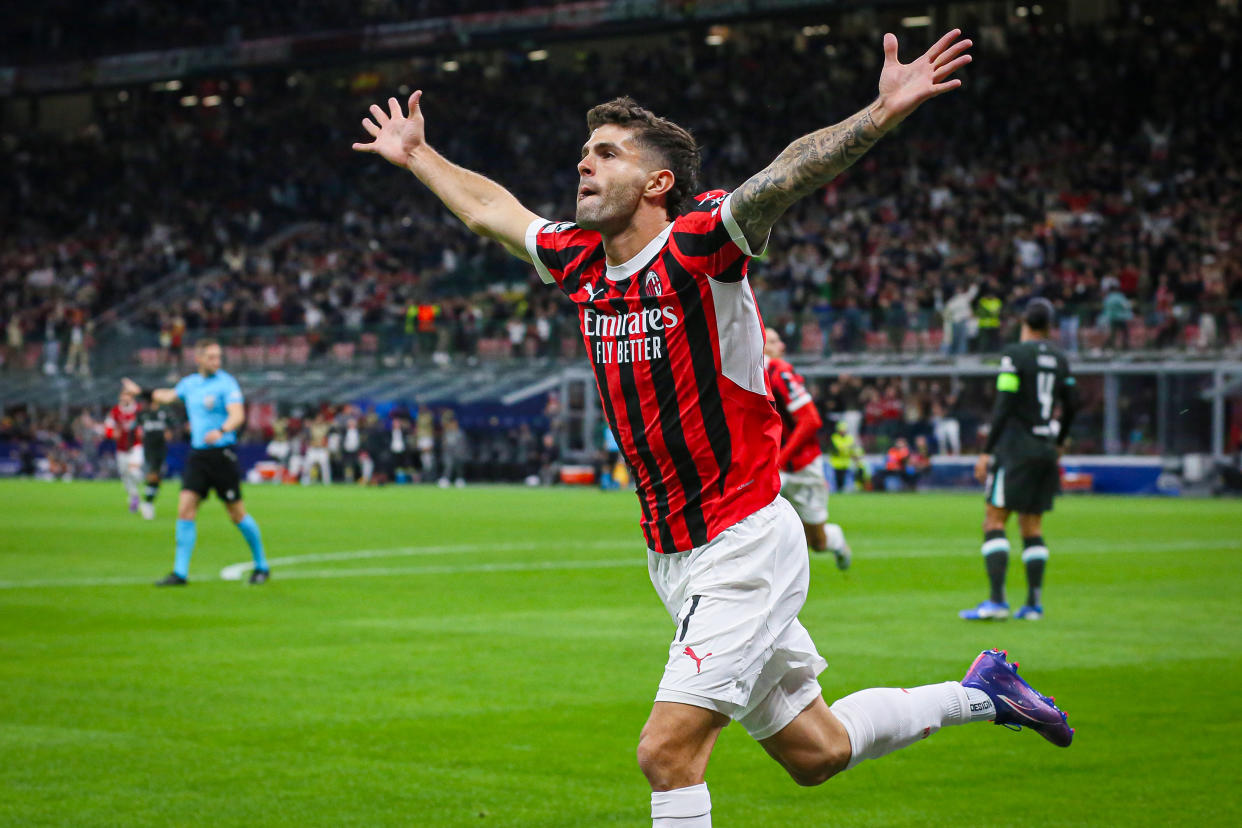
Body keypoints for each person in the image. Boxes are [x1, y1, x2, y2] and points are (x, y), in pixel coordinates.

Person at [355, 30, 1072, 828]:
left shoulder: (700, 241)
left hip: (743, 544)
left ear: (658, 180)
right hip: (673, 554)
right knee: (818, 751)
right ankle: (982, 693)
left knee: (666, 754)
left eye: (606, 153)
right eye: (583, 152)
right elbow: (496, 211)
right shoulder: (579, 258)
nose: (583, 164)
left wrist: (879, 112)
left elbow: (783, 176)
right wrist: (420, 156)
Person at [962, 298, 1079, 621]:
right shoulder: (1060, 359)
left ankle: (997, 602)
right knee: (1033, 526)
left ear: (1024, 323)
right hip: (1045, 447)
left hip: (1016, 448)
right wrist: (1059, 440)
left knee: (994, 519)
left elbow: (1004, 404)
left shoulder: (1014, 356)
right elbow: (1072, 404)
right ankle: (1033, 605)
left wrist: (987, 450)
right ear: (1050, 326)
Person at [124, 339, 269, 586]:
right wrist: (143, 392)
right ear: (198, 358)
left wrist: (221, 430)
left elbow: (238, 415)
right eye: (211, 356)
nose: (216, 361)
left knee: (237, 514)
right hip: (198, 455)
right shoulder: (190, 384)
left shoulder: (227, 384)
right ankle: (180, 572)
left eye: (218, 356)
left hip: (221, 454)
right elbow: (168, 395)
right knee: (185, 509)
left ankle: (262, 565)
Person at [763, 329, 850, 569]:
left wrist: (780, 458)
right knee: (756, 527)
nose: (779, 345)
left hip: (801, 466)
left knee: (817, 542)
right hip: (770, 467)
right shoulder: (744, 372)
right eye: (771, 340)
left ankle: (835, 539)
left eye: (778, 341)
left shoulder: (780, 372)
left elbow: (811, 420)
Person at [105, 387, 144, 514]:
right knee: (124, 474)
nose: (125, 398)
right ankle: (134, 496)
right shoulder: (116, 411)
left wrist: (142, 432)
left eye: (128, 395)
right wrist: (111, 434)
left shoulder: (138, 410)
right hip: (121, 448)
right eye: (123, 395)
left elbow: (145, 424)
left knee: (134, 471)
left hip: (136, 446)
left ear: (132, 397)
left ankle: (146, 486)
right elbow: (108, 427)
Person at [136, 394, 173, 520]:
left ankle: (148, 499)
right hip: (149, 448)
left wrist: (169, 432)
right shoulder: (143, 414)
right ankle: (147, 503)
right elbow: (135, 427)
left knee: (157, 476)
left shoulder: (165, 412)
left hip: (161, 448)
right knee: (153, 473)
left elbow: (172, 426)